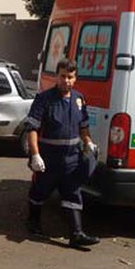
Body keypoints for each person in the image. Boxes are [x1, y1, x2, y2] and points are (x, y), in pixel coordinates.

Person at [25, 58, 100, 248]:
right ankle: (33, 223)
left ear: (75, 79)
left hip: (71, 159)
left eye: (70, 77)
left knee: (72, 193)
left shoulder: (79, 99)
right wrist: (35, 154)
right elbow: (32, 128)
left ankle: (77, 234)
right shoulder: (44, 99)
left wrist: (88, 142)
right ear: (57, 77)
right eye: (63, 76)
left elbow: (83, 127)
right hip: (49, 158)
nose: (66, 80)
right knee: (40, 192)